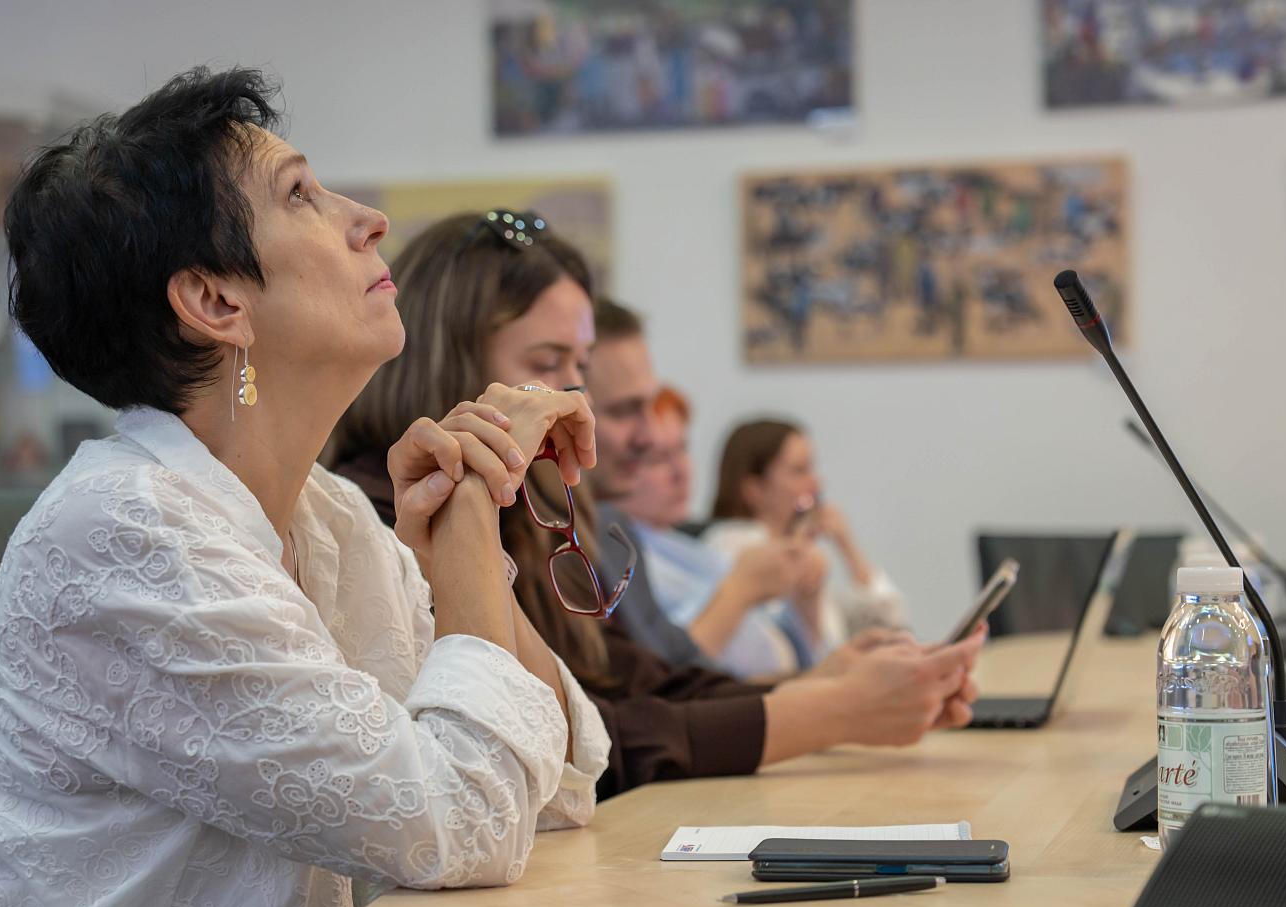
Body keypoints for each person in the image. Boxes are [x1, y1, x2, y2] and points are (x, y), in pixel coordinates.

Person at [0, 69, 610, 907]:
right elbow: (468, 825)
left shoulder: (322, 515)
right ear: (215, 302)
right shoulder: (132, 531)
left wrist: (462, 528)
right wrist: (464, 540)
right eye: (302, 196)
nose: (366, 217)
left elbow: (567, 783)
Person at [332, 222, 984, 799]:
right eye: (547, 363)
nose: (574, 397)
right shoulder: (391, 513)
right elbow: (582, 739)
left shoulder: (539, 505)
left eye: (579, 367)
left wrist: (818, 688)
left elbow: (635, 682)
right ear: (448, 363)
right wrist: (832, 711)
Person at [615, 384, 817, 680]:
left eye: (683, 449)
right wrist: (741, 590)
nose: (680, 471)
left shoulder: (688, 548)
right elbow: (664, 676)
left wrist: (808, 596)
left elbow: (795, 649)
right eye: (657, 458)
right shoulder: (622, 563)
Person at [705, 418, 910, 659]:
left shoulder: (799, 549)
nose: (816, 483)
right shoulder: (732, 548)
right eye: (799, 471)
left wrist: (847, 546)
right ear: (754, 489)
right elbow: (799, 653)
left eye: (812, 469)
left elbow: (893, 623)